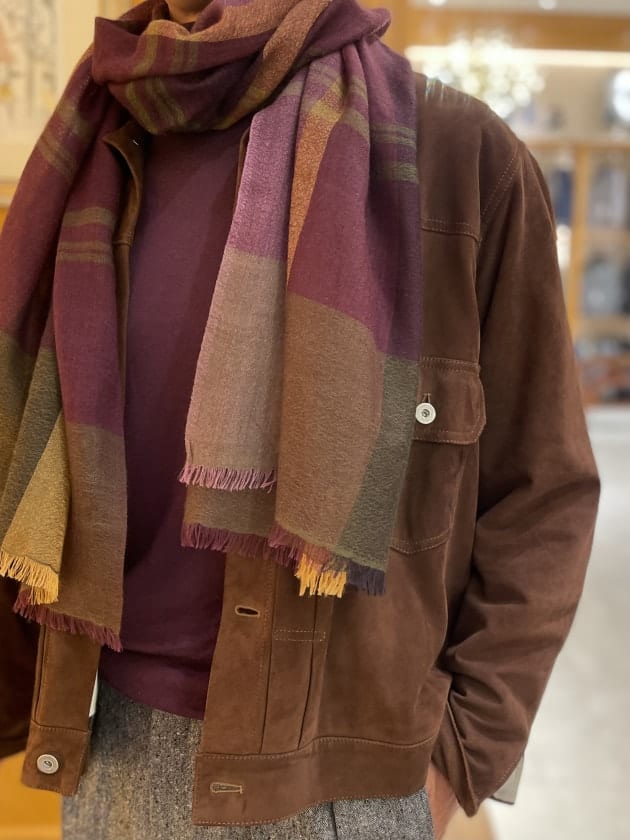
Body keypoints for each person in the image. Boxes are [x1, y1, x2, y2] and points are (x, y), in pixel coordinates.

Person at [0, 0, 600, 838]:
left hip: (346, 784)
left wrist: (457, 759)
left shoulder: (461, 159)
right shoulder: (95, 141)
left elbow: (543, 493)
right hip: (113, 761)